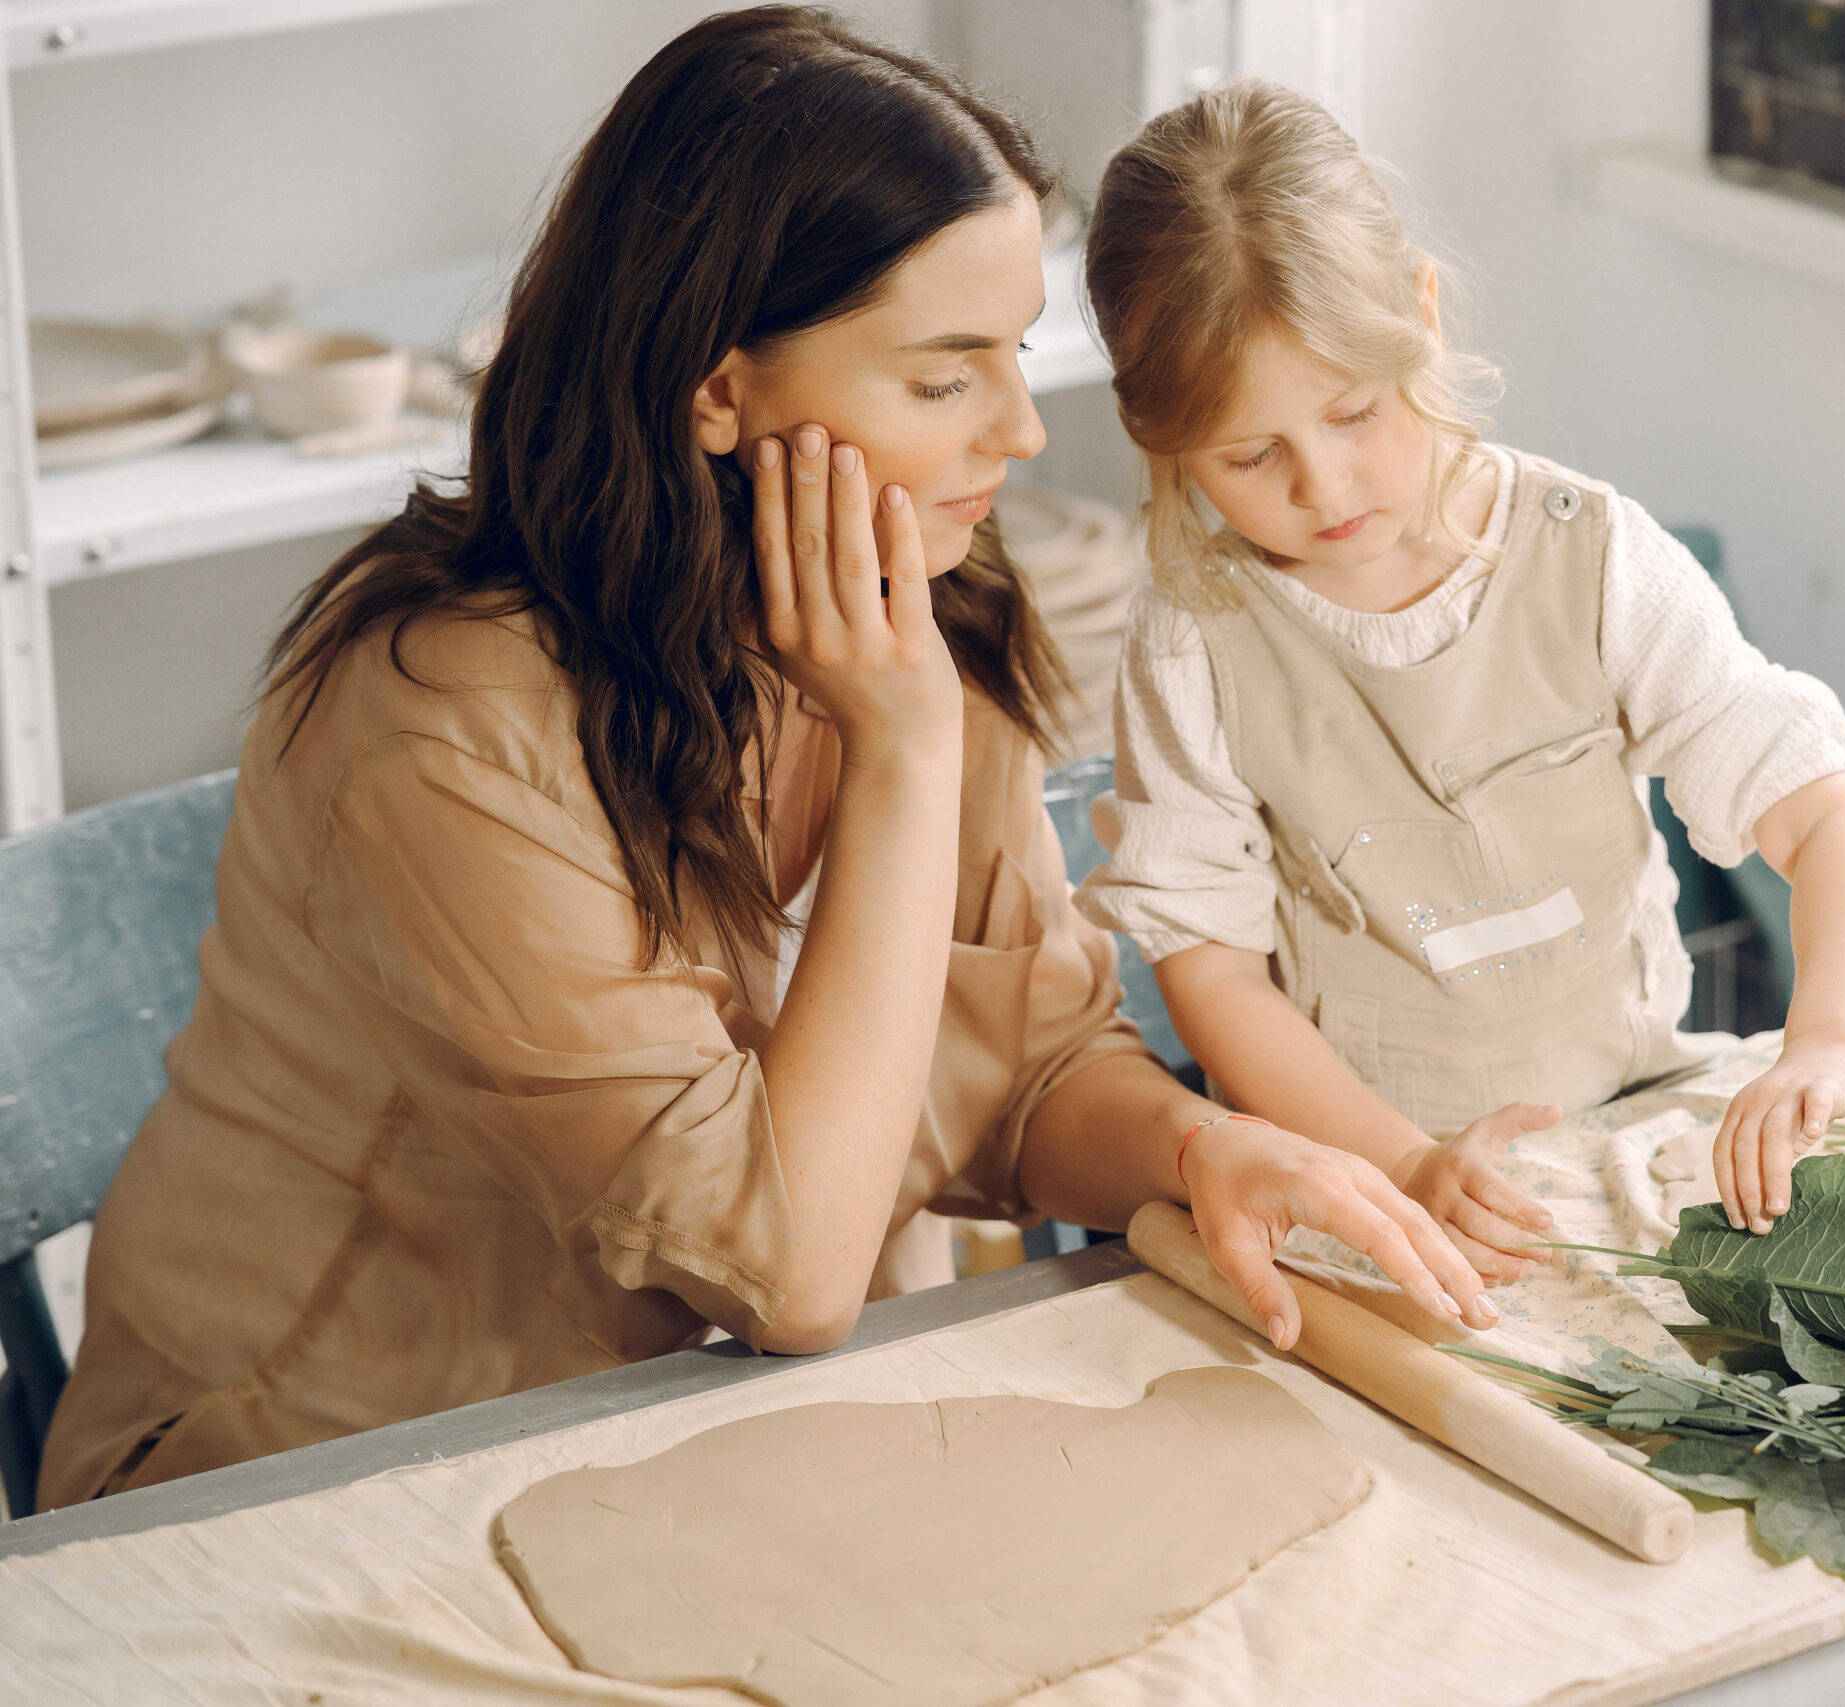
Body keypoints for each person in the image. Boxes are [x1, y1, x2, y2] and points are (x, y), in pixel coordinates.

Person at [35, 11, 1496, 1511]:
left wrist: (1202, 1148)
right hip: (314, 1478)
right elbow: (781, 1269)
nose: (1019, 431)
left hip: (721, 1445)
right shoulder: (444, 727)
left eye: (1013, 356)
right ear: (718, 390)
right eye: (943, 381)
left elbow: (1029, 1063)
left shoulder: (920, 609)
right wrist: (904, 753)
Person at [1073, 81, 1845, 1282]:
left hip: (1620, 1136)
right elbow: (1209, 965)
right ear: (1159, 439)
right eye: (1250, 457)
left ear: (1419, 313)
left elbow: (1825, 816)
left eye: (1354, 413)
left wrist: (1825, 1046)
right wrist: (1405, 1165)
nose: (1322, 488)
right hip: (1358, 1188)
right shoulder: (1190, 640)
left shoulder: (1594, 556)